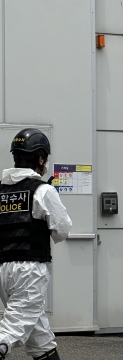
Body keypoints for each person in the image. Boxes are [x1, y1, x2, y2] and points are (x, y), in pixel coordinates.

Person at [0, 128, 72, 360]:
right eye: (46, 159)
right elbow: (62, 231)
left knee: (40, 338)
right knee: (10, 331)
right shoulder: (42, 190)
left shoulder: (1, 191)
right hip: (29, 270)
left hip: (3, 269)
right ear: (40, 158)